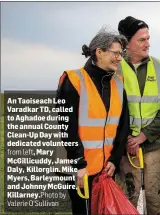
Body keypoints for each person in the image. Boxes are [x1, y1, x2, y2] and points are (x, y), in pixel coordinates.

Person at [54, 27, 130, 215]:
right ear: (99, 52)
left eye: (121, 54)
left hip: (106, 168)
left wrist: (114, 158)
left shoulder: (118, 83)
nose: (120, 58)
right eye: (116, 53)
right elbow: (67, 128)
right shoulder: (73, 79)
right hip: (80, 168)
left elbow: (123, 124)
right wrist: (79, 165)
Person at [116, 16, 160, 215]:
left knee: (155, 201)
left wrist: (144, 136)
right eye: (142, 40)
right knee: (127, 201)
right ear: (126, 43)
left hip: (155, 144)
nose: (148, 43)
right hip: (126, 148)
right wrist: (126, 140)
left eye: (148, 38)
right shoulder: (114, 69)